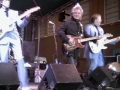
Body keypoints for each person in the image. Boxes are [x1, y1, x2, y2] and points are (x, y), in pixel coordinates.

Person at [0, 0, 31, 90]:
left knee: (20, 59)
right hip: (2, 38)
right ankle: (4, 85)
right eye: (6, 0)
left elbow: (21, 25)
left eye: (9, 0)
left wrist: (27, 18)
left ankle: (24, 85)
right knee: (4, 62)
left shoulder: (14, 12)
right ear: (1, 2)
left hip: (14, 38)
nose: (8, 2)